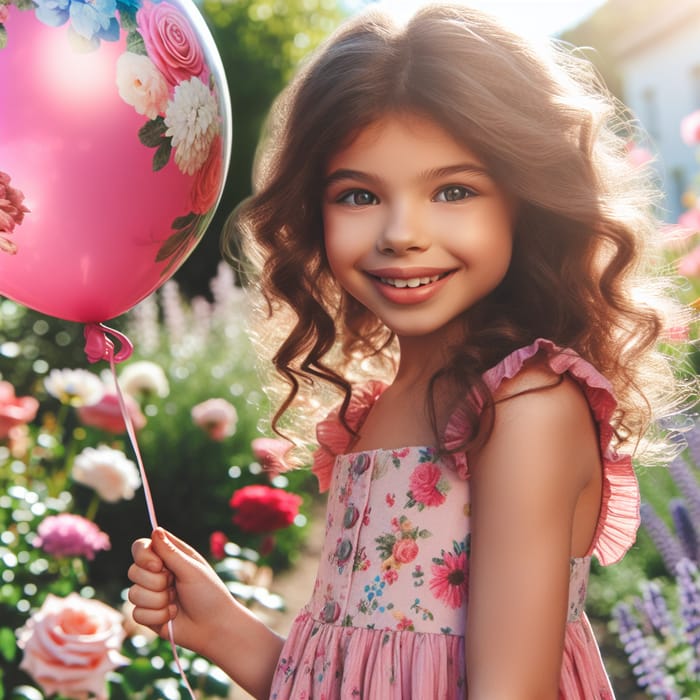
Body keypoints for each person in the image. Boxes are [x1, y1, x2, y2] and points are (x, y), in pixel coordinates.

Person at [127, 3, 688, 698]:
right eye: (358, 194)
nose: (402, 233)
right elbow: (348, 676)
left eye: (453, 190)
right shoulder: (377, 407)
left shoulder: (525, 410)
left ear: (526, 197)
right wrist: (221, 629)